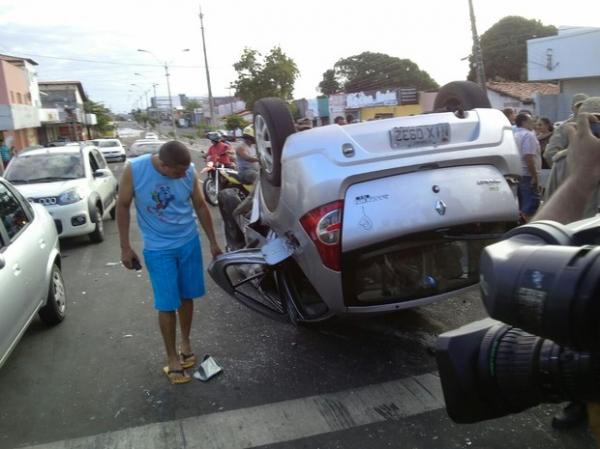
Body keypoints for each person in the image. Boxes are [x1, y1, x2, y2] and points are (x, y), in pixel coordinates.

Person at [116, 140, 222, 384]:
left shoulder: (188, 171)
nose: (183, 175)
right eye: (177, 172)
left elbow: (200, 205)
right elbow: (122, 206)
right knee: (166, 304)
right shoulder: (135, 169)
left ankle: (185, 341)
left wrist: (213, 242)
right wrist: (125, 247)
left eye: (186, 170)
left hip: (188, 242)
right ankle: (172, 357)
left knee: (186, 297)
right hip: (158, 249)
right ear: (162, 165)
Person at [534, 111, 600, 433]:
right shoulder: (564, 162)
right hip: (576, 258)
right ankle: (577, 399)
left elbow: (524, 251)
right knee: (578, 340)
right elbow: (546, 228)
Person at [544, 93, 588, 167]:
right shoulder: (563, 128)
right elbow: (550, 153)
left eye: (585, 106)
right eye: (579, 106)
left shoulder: (594, 125)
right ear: (572, 108)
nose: (582, 109)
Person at [514, 113, 542, 222]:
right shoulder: (528, 135)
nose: (533, 123)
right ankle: (528, 227)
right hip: (527, 174)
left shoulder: (515, 134)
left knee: (522, 203)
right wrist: (534, 176)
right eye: (531, 121)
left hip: (519, 173)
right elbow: (528, 157)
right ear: (524, 122)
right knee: (531, 203)